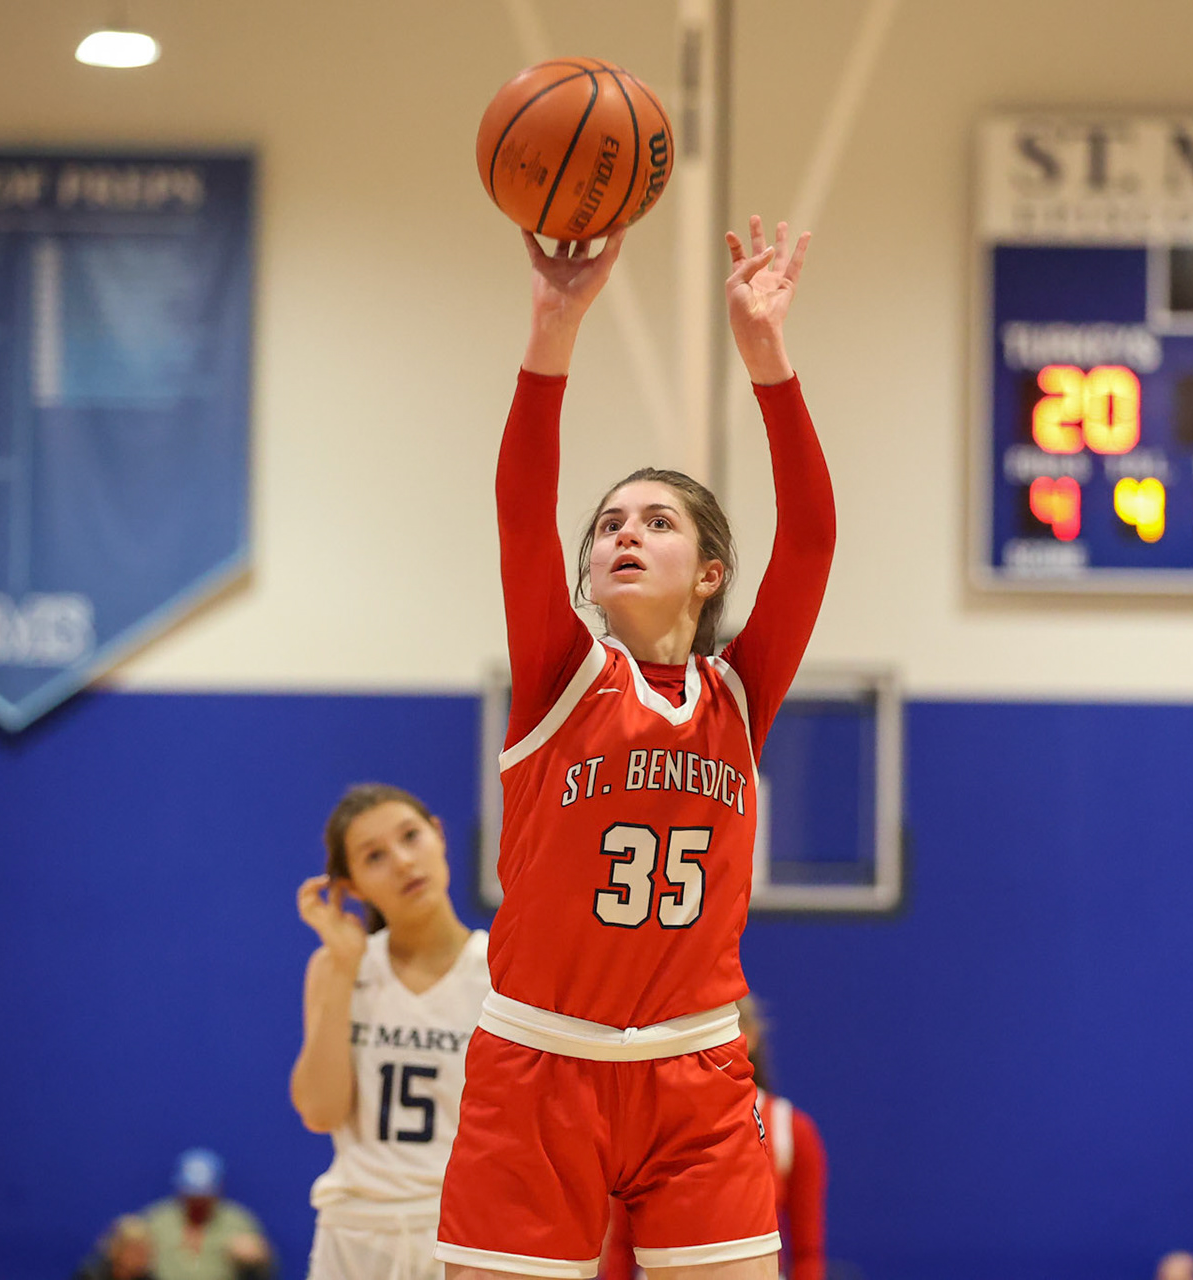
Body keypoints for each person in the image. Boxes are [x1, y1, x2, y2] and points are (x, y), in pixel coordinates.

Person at [434, 214, 835, 1280]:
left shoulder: (738, 693)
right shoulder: (565, 676)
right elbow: (523, 508)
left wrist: (769, 358)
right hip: (536, 1063)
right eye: (610, 520)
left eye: (657, 520)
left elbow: (810, 537)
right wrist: (554, 323)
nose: (622, 530)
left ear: (709, 572)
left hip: (697, 1071)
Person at [291, 784, 491, 1280]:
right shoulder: (337, 967)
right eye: (374, 855)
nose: (403, 861)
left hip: (463, 1231)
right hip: (354, 1233)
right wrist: (343, 965)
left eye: (411, 837)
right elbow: (319, 1111)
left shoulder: (502, 970)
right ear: (351, 886)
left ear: (439, 836)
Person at [599, 996, 828, 1280]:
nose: (708, 1043)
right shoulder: (649, 1120)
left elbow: (807, 1253)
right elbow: (621, 1245)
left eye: (720, 1029)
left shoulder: (792, 1129)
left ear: (751, 1036)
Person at [136, 1148, 275, 1280]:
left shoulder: (238, 1222)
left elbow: (266, 1267)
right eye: (192, 1196)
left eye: (204, 1196)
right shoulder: (157, 1220)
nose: (198, 1203)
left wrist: (258, 1259)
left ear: (218, 1190)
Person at [74, 1215, 158, 1280]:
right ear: (118, 1249)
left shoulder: (147, 1278)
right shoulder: (91, 1275)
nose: (142, 1259)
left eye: (145, 1253)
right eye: (136, 1252)